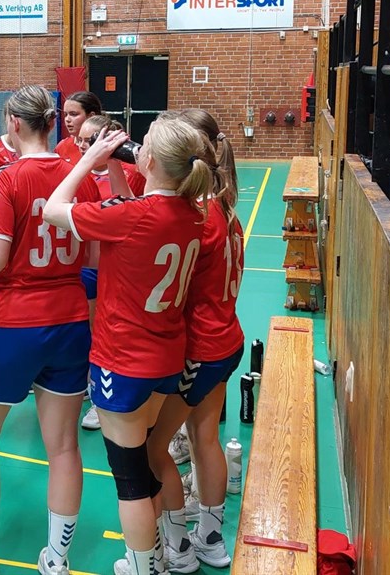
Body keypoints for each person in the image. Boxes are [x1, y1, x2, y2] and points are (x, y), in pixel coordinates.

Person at [43, 117, 215, 575]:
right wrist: (116, 165)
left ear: (151, 161)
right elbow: (135, 210)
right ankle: (156, 556)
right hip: (165, 356)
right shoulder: (191, 213)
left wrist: (88, 160)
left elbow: (53, 209)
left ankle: (144, 567)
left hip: (122, 360)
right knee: (144, 461)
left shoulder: (134, 217)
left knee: (130, 478)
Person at [0, 85, 98, 575]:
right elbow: (95, 255)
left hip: (12, 322)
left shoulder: (7, 179)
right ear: (52, 123)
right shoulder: (80, 177)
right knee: (65, 447)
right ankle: (57, 558)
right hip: (70, 319)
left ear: (13, 123)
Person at [145, 109, 244, 573]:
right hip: (226, 340)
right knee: (205, 439)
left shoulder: (197, 217)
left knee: (153, 447)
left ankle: (178, 548)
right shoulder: (225, 207)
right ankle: (210, 539)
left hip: (201, 349)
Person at [72, 116, 132, 433]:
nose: (82, 145)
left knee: (102, 334)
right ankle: (85, 382)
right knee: (83, 331)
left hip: (112, 271)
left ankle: (100, 397)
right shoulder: (75, 172)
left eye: (89, 140)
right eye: (80, 140)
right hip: (79, 268)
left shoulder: (127, 174)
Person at [54, 91, 103, 165]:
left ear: (91, 116)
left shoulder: (107, 147)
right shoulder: (62, 147)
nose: (67, 119)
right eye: (65, 114)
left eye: (73, 114)